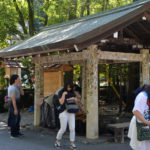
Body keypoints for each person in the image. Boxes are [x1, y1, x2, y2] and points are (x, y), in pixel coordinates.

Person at [55, 82, 78, 149]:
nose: (69, 88)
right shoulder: (61, 92)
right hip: (63, 112)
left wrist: (74, 99)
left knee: (72, 128)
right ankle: (57, 141)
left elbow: (77, 102)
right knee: (63, 128)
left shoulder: (72, 92)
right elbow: (61, 102)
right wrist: (64, 95)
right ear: (65, 86)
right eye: (67, 87)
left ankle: (72, 143)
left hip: (71, 111)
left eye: (70, 87)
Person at [128, 84, 150, 150]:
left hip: (146, 124)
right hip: (141, 125)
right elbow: (136, 111)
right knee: (143, 146)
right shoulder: (142, 96)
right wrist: (146, 122)